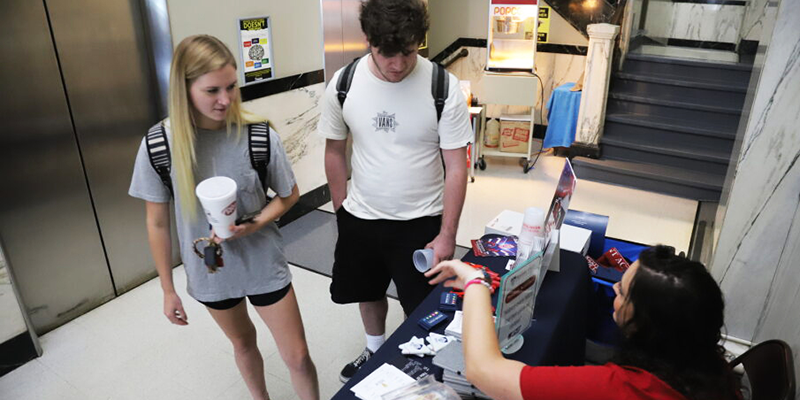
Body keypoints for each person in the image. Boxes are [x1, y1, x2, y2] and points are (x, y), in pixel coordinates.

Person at [129, 35, 319, 400]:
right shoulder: (159, 146)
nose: (225, 99)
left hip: (263, 261)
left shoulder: (258, 136)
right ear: (184, 91)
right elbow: (156, 223)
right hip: (210, 270)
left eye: (232, 86)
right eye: (212, 90)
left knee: (297, 355)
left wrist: (252, 225)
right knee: (244, 343)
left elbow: (288, 195)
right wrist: (168, 290)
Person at [318, 0, 473, 383]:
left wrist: (447, 234)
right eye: (387, 53)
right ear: (368, 40)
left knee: (420, 304)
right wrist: (342, 213)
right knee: (366, 291)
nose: (398, 64)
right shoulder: (344, 84)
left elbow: (457, 166)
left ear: (419, 41)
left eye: (408, 52)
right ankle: (373, 350)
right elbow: (334, 151)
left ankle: (413, 359)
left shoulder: (443, 87)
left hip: (421, 221)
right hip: (361, 217)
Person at [425, 245, 740, 400]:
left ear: (647, 324)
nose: (614, 289)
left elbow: (483, 371)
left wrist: (475, 281)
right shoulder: (706, 362)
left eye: (623, 292)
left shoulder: (623, 388)